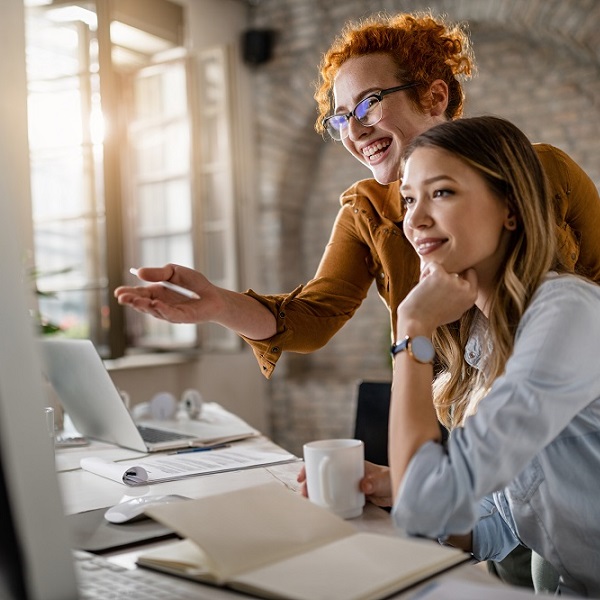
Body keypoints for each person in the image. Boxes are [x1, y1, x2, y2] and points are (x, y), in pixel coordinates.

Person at [114, 12, 599, 589]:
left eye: (368, 103)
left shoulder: (543, 202)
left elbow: (581, 300)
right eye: (340, 116)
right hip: (472, 414)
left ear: (434, 94)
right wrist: (218, 304)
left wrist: (418, 331)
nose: (353, 128)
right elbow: (313, 315)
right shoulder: (370, 210)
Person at [387, 115, 600, 597]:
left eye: (440, 192)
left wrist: (413, 329)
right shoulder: (486, 337)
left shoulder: (565, 313)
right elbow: (505, 520)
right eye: (408, 198)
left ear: (510, 207)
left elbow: (422, 507)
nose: (415, 219)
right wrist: (395, 488)